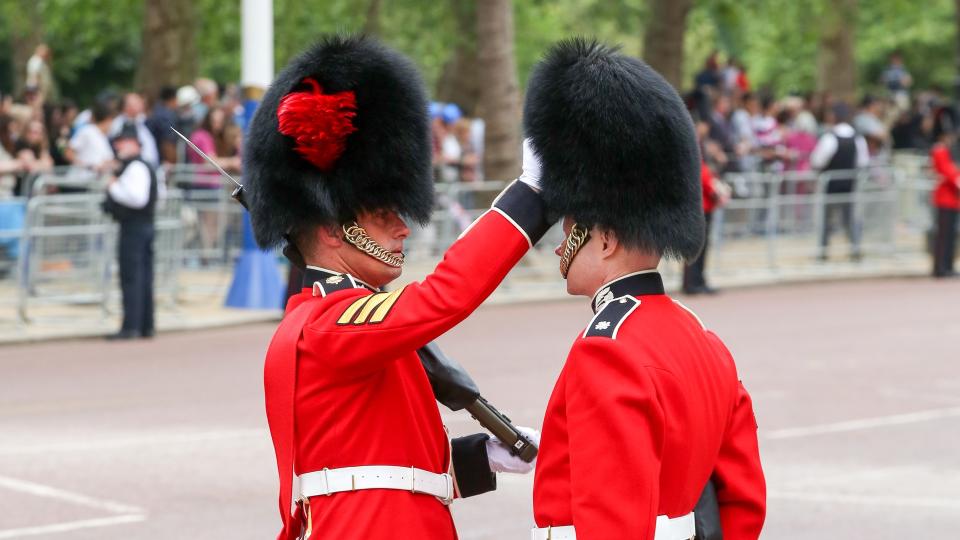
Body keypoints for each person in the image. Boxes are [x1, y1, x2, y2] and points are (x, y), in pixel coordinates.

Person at [245, 35, 551, 540]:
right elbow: (445, 297)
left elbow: (382, 471)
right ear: (331, 227)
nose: (403, 227)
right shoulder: (324, 325)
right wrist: (531, 196)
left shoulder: (350, 324)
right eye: (385, 214)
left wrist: (481, 457)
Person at [524, 38, 766, 540]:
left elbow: (610, 523)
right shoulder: (705, 341)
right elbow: (742, 501)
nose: (559, 247)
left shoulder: (607, 351)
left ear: (606, 239)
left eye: (571, 232)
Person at [102, 123, 159, 340]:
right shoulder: (143, 165)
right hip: (143, 226)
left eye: (122, 141)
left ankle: (132, 326)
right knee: (143, 277)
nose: (117, 146)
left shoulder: (135, 167)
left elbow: (137, 198)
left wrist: (113, 187)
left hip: (135, 227)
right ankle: (145, 325)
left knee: (132, 277)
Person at [810, 101, 870, 261]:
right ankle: (854, 248)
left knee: (826, 219)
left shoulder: (830, 138)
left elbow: (817, 161)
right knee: (850, 218)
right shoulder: (857, 138)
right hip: (850, 184)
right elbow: (863, 162)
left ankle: (823, 251)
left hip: (830, 186)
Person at [929, 112, 960, 277]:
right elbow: (948, 172)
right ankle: (940, 267)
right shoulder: (939, 150)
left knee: (951, 236)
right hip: (944, 198)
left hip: (953, 199)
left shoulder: (948, 151)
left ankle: (948, 265)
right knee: (943, 235)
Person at [67, 99, 117, 173]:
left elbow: (108, 160)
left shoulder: (103, 136)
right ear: (108, 119)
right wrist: (85, 166)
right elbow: (68, 152)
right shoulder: (88, 130)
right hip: (82, 181)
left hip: (96, 181)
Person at [110, 93, 159, 167]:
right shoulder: (120, 125)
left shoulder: (140, 121)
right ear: (127, 107)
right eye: (137, 102)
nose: (142, 104)